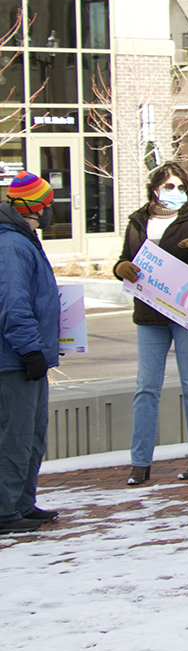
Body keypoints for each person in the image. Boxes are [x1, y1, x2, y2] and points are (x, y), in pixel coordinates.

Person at [114, 163, 188, 484]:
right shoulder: (138, 221)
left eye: (179, 187)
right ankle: (139, 463)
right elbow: (125, 258)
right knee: (146, 387)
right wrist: (121, 267)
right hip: (150, 311)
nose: (173, 193)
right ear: (155, 188)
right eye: (167, 187)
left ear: (187, 189)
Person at [0, 173, 60, 535]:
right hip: (14, 359)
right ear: (35, 207)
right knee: (15, 435)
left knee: (32, 434)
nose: (52, 210)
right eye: (48, 203)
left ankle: (22, 502)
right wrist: (30, 349)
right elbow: (12, 303)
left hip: (28, 357)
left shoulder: (24, 240)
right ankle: (5, 510)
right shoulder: (11, 246)